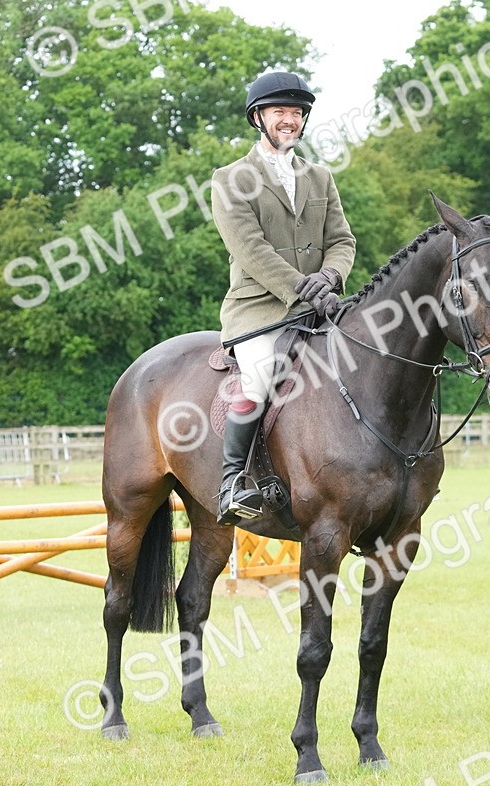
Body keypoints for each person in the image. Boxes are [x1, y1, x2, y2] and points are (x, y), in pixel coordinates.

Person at [210, 71, 356, 525]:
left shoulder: (320, 177)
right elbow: (251, 250)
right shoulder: (231, 178)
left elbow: (343, 240)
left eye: (296, 113)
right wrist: (303, 288)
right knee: (259, 376)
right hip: (261, 311)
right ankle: (233, 481)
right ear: (259, 118)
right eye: (280, 112)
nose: (289, 120)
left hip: (320, 305)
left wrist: (331, 275)